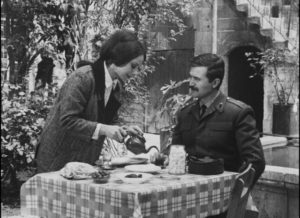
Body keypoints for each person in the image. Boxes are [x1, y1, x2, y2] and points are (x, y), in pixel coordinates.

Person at [35, 29, 147, 173]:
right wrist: (105, 129)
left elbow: (105, 123)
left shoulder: (115, 86)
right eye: (133, 66)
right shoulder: (82, 78)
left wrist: (124, 129)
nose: (135, 73)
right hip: (56, 161)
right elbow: (68, 120)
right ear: (118, 57)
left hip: (83, 163)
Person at [170, 53, 265, 218]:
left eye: (197, 79)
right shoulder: (184, 113)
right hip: (186, 202)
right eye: (190, 77)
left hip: (223, 206)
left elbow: (255, 162)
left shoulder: (238, 113)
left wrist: (238, 198)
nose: (190, 83)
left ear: (215, 83)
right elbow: (174, 153)